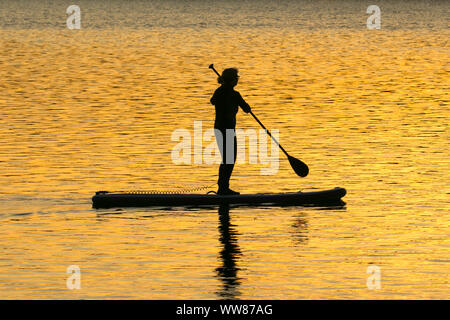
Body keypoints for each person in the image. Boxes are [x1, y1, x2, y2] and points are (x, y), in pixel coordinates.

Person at [210, 68, 251, 195]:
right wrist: (226, 90)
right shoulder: (232, 94)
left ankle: (223, 187)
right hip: (225, 129)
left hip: (221, 128)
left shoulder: (224, 92)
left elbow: (246, 108)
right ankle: (223, 188)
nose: (237, 80)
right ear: (233, 80)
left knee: (228, 159)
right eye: (236, 79)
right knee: (229, 159)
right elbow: (247, 108)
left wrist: (224, 88)